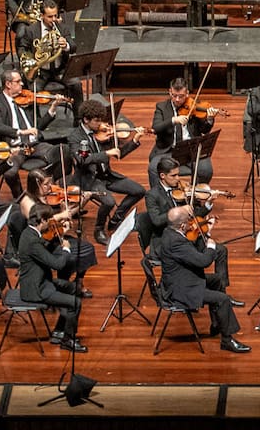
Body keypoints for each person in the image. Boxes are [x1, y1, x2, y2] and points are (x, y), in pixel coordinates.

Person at [142, 158, 239, 305]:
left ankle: (221, 293)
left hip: (187, 236)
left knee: (220, 250)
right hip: (167, 241)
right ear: (162, 176)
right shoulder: (152, 195)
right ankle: (195, 289)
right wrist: (177, 212)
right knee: (202, 257)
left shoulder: (181, 190)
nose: (178, 179)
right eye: (173, 176)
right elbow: (156, 220)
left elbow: (195, 214)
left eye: (178, 174)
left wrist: (207, 204)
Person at [158, 206, 251, 353]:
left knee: (217, 280)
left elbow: (191, 251)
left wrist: (208, 232)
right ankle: (227, 340)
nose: (191, 223)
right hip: (182, 289)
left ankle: (217, 323)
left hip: (182, 279)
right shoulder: (176, 242)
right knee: (223, 299)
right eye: (189, 221)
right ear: (182, 225)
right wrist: (211, 247)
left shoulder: (169, 232)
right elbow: (203, 261)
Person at [70, 99, 145, 245]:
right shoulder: (76, 137)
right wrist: (106, 154)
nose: (101, 125)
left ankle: (117, 218)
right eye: (97, 121)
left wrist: (135, 140)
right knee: (109, 201)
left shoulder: (100, 134)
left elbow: (118, 154)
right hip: (90, 180)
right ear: (86, 119)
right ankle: (99, 229)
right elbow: (82, 160)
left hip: (107, 175)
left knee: (139, 190)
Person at [18, 202, 87, 353]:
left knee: (73, 288)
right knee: (75, 303)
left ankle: (60, 330)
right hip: (37, 289)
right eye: (48, 220)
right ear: (42, 220)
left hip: (41, 281)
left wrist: (60, 232)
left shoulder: (28, 233)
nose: (50, 223)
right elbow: (57, 265)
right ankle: (68, 340)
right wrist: (66, 249)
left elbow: (42, 246)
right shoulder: (32, 241)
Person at [0, 69, 72, 193]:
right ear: (8, 84)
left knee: (63, 151)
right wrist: (21, 132)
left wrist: (53, 107)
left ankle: (49, 186)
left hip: (35, 145)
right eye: (18, 81)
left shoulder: (28, 99)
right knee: (9, 172)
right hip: (16, 149)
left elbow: (38, 126)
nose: (22, 84)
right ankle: (21, 199)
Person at [17, 169, 98, 294]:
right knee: (69, 256)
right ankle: (63, 284)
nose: (50, 187)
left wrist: (79, 205)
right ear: (36, 184)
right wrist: (61, 216)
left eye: (50, 183)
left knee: (87, 248)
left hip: (54, 236)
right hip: (40, 243)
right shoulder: (27, 201)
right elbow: (38, 223)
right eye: (46, 184)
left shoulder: (48, 197)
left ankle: (78, 282)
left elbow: (63, 217)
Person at [16, 0, 83, 116]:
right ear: (42, 16)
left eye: (55, 16)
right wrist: (31, 61)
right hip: (41, 71)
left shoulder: (61, 28)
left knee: (76, 84)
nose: (53, 20)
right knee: (33, 91)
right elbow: (22, 48)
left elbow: (73, 46)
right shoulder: (31, 30)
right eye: (50, 17)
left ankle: (79, 119)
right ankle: (36, 121)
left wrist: (66, 45)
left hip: (60, 69)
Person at [147, 78, 218, 185]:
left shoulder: (194, 107)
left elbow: (204, 130)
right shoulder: (161, 107)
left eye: (181, 96)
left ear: (187, 93)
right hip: (168, 151)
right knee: (153, 168)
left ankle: (197, 196)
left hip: (190, 150)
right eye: (174, 95)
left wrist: (210, 119)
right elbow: (156, 128)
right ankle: (160, 198)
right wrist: (173, 120)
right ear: (170, 91)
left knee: (206, 171)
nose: (177, 99)